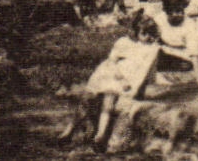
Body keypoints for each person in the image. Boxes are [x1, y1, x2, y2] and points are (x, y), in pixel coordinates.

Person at [59, 11, 164, 151]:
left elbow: (146, 71)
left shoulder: (151, 48)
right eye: (144, 34)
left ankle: (100, 136)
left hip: (126, 80)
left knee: (109, 98)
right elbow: (111, 61)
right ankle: (69, 131)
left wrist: (137, 87)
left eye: (151, 34)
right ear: (135, 31)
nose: (148, 38)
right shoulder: (124, 42)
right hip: (110, 74)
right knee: (88, 98)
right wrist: (120, 77)